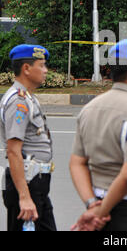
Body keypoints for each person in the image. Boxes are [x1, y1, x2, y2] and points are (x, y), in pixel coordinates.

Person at [70, 39, 127, 231]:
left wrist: (92, 206)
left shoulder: (90, 108)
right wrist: (101, 212)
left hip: (98, 201)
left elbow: (77, 163)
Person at [0, 44, 56, 231]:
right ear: (26, 68)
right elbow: (13, 151)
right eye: (41, 65)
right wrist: (24, 197)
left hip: (36, 184)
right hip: (27, 184)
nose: (45, 70)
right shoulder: (19, 102)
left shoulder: (28, 98)